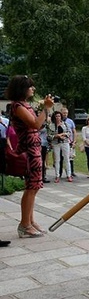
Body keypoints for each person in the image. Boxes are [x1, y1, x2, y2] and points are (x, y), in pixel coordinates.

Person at [5, 75, 55, 238]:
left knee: (34, 186)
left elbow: (39, 122)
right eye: (30, 86)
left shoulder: (24, 105)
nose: (33, 89)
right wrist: (46, 108)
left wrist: (45, 110)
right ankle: (25, 225)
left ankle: (30, 220)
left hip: (34, 148)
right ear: (22, 88)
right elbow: (35, 124)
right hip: (29, 150)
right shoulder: (17, 106)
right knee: (31, 187)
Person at [49, 110, 72, 183]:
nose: (58, 118)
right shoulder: (51, 125)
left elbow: (69, 132)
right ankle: (57, 175)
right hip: (56, 143)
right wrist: (57, 136)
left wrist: (63, 135)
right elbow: (49, 136)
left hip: (64, 142)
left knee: (67, 159)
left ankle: (69, 175)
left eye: (59, 116)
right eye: (56, 116)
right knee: (57, 160)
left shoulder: (65, 124)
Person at [59, 108, 76, 177]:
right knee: (60, 158)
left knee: (70, 157)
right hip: (61, 142)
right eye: (64, 113)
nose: (65, 114)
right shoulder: (58, 121)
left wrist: (74, 141)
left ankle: (71, 172)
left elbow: (74, 131)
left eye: (66, 113)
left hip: (69, 142)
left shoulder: (70, 121)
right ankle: (59, 173)